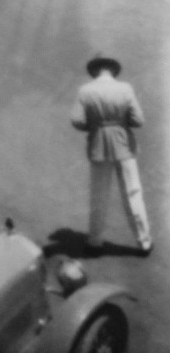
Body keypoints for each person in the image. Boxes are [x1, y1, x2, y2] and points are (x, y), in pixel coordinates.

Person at [70, 52, 153, 256]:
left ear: (95, 70)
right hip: (124, 146)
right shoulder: (125, 88)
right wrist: (120, 123)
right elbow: (138, 120)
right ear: (113, 69)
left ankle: (94, 242)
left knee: (98, 197)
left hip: (98, 146)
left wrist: (96, 126)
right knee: (133, 194)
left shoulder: (85, 90)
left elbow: (77, 120)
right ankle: (144, 243)